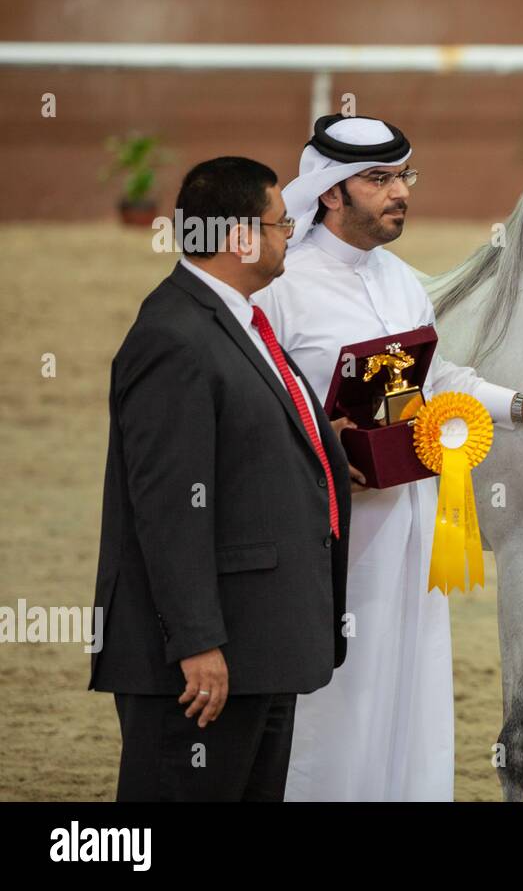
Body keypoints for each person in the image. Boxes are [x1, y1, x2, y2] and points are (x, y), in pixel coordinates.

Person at [252, 114, 523, 801]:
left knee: (407, 691)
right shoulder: (282, 285)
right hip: (326, 534)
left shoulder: (400, 283)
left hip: (410, 530)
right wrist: (315, 445)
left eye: (403, 177)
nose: (400, 193)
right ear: (330, 192)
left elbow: (439, 380)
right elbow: (256, 401)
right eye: (378, 180)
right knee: (333, 699)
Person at [90, 156, 351, 801]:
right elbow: (169, 506)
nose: (291, 233)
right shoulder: (174, 336)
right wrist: (198, 642)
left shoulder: (241, 319)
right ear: (240, 237)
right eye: (281, 222)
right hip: (207, 659)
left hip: (260, 643)